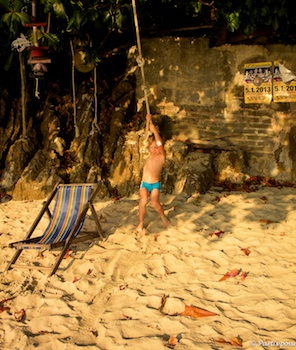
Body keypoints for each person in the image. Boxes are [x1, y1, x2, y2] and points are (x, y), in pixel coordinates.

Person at [136, 114, 170, 233]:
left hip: (155, 184)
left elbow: (160, 143)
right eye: (152, 147)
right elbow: (146, 137)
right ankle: (140, 223)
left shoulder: (161, 157)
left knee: (154, 202)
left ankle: (163, 217)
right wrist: (147, 122)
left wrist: (155, 130)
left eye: (156, 147)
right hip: (145, 183)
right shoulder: (149, 155)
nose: (154, 149)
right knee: (143, 200)